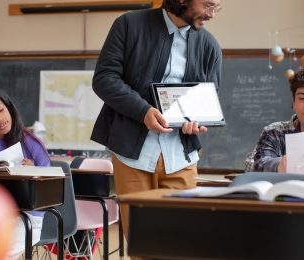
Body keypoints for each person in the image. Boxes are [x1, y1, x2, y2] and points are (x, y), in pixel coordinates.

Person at [90, 0, 223, 238]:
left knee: (181, 244)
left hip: (181, 157)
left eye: (217, 7)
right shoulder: (129, 25)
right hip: (132, 153)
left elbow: (209, 97)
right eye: (208, 5)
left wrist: (199, 120)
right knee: (143, 242)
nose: (212, 14)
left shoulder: (210, 45)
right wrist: (143, 111)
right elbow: (104, 79)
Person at [0, 87, 50, 257]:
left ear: (9, 107)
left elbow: (49, 187)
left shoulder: (31, 143)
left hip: (27, 218)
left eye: (0, 110)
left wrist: (32, 175)